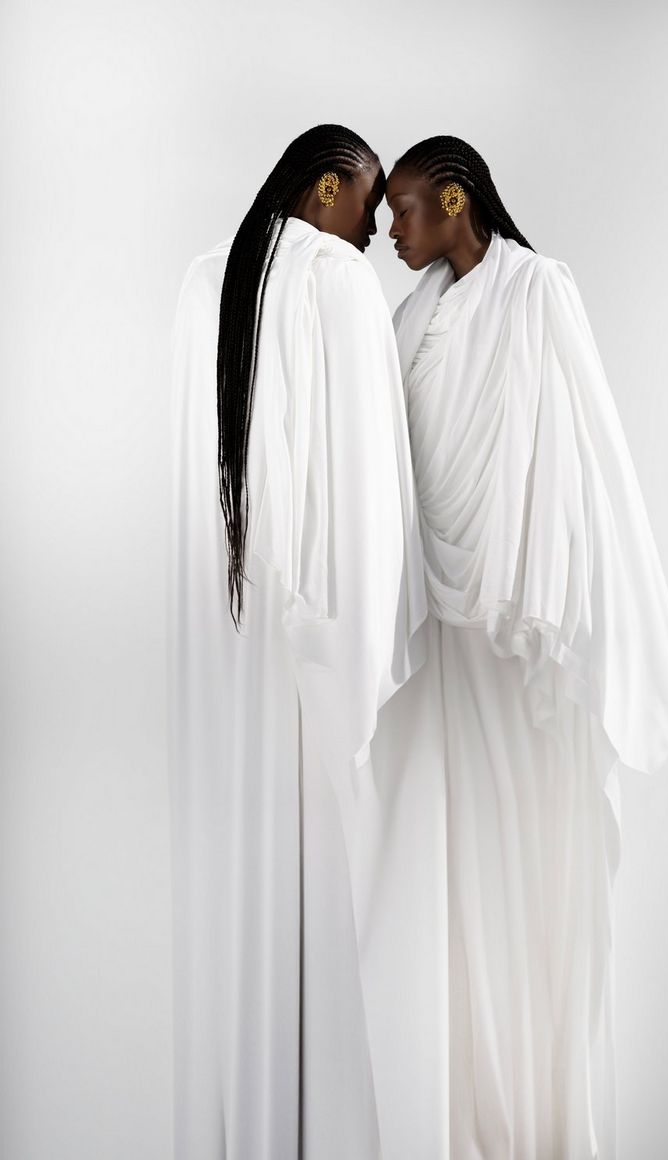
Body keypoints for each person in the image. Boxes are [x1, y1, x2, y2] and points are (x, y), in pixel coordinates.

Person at [386, 136, 668, 1159]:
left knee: (531, 884)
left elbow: (583, 451)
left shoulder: (538, 294)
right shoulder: (412, 319)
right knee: (452, 891)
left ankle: (543, 1127)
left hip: (523, 647)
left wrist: (551, 592)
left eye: (403, 212)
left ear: (452, 198)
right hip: (443, 652)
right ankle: (464, 1125)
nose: (391, 233)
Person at [168, 124, 430, 1160]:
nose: (372, 233)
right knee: (326, 918)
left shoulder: (205, 281)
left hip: (226, 657)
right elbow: (367, 497)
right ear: (327, 188)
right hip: (309, 663)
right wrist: (371, 665)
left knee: (242, 911)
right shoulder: (331, 280)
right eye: (368, 208)